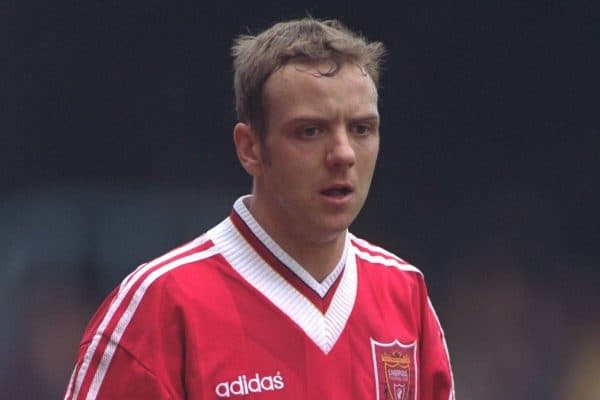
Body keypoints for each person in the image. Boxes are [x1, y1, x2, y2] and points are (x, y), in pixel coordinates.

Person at [64, 17, 455, 399]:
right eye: (310, 131)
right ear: (250, 148)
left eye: (361, 129)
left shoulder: (405, 294)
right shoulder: (162, 305)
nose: (343, 154)